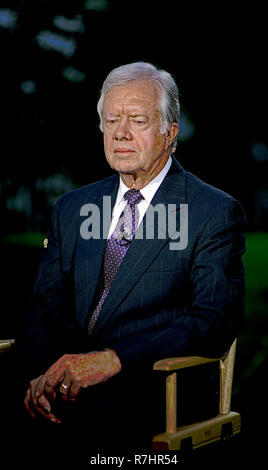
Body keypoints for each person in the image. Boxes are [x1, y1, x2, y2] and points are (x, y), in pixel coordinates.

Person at [22, 62, 245, 458]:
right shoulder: (72, 208)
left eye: (138, 120)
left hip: (152, 402)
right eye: (111, 120)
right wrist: (44, 377)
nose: (121, 133)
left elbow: (214, 320)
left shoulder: (213, 211)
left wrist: (112, 360)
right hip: (62, 400)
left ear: (169, 133)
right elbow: (45, 311)